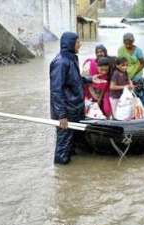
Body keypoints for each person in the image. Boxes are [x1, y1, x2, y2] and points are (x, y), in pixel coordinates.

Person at [50, 32, 93, 164]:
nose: (80, 44)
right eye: (77, 42)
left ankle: (74, 175)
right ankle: (62, 176)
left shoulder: (71, 58)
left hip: (76, 108)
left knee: (74, 142)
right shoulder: (61, 62)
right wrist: (61, 115)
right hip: (66, 112)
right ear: (70, 43)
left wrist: (89, 80)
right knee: (64, 143)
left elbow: (74, 80)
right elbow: (56, 90)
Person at [118, 33, 144, 116]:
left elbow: (142, 64)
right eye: (126, 43)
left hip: (137, 76)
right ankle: (130, 113)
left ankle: (143, 111)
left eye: (129, 43)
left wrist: (134, 73)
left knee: (139, 95)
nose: (127, 45)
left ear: (133, 41)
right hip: (125, 75)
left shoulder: (138, 51)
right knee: (127, 96)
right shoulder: (121, 50)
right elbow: (119, 63)